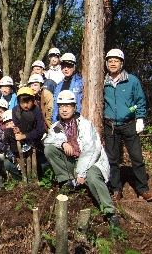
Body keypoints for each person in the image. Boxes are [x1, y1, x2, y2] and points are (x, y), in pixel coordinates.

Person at [44, 90, 120, 230]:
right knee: (49, 148)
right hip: (73, 162)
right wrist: (62, 143)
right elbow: (48, 141)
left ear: (74, 107)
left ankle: (110, 213)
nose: (64, 109)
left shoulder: (85, 125)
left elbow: (92, 150)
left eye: (68, 106)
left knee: (92, 177)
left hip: (92, 163)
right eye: (61, 106)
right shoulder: (56, 127)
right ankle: (68, 181)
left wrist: (81, 172)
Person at [103, 49, 152, 201]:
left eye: (116, 60)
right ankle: (116, 189)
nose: (113, 63)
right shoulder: (103, 81)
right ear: (106, 63)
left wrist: (139, 118)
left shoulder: (132, 80)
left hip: (129, 124)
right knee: (113, 159)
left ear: (121, 63)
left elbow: (140, 101)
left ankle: (142, 189)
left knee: (137, 157)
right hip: (110, 125)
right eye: (110, 61)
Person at [2, 87, 47, 180]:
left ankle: (36, 176)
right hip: (20, 141)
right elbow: (17, 124)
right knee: (8, 132)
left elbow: (40, 130)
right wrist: (17, 130)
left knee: (28, 115)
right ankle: (17, 157)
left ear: (32, 101)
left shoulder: (36, 110)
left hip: (34, 140)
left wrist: (25, 136)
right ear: (19, 102)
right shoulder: (15, 110)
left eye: (28, 102)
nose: (26, 105)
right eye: (23, 103)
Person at [51, 53, 83, 123]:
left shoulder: (81, 82)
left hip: (76, 121)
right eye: (63, 67)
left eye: (69, 66)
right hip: (60, 121)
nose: (66, 69)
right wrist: (54, 122)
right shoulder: (59, 85)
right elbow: (56, 106)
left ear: (74, 67)